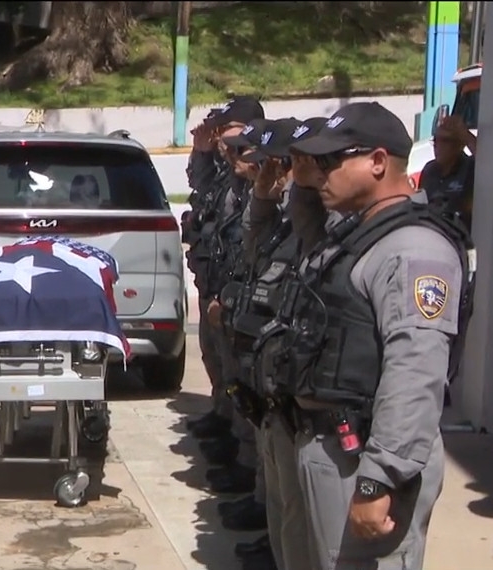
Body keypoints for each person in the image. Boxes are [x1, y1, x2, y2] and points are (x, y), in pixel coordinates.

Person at [283, 101, 473, 570]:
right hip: (335, 447)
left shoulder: (414, 250)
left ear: (377, 161)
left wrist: (378, 480)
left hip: (369, 459)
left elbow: (415, 374)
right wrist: (305, 176)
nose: (320, 172)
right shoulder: (358, 234)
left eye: (331, 161)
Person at [227, 116, 331, 570]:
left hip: (301, 390)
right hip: (272, 378)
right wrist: (263, 201)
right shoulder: (280, 211)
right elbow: (253, 254)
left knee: (302, 518)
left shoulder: (318, 219)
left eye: (279, 164)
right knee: (286, 508)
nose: (267, 171)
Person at [184, 95, 265, 454]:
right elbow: (200, 187)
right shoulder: (225, 172)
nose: (223, 143)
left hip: (239, 293)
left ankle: (241, 447)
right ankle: (225, 421)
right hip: (215, 278)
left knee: (240, 373)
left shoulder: (257, 179)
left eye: (229, 136)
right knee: (216, 358)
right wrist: (201, 152)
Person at [418, 114, 476, 228]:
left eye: (445, 141)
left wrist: (465, 134)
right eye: (435, 140)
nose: (437, 146)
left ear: (459, 145)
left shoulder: (471, 168)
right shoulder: (429, 170)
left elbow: (488, 161)